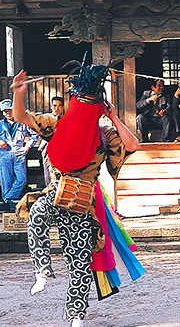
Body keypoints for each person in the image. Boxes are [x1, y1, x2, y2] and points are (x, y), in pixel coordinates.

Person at [12, 66, 140, 327]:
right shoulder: (57, 124)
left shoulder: (106, 136)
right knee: (36, 213)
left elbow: (133, 145)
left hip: (84, 204)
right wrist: (18, 93)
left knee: (79, 260)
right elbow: (21, 116)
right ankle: (42, 270)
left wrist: (113, 118)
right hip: (57, 191)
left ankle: (76, 316)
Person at [0, 98, 39, 210]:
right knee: (6, 182)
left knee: (22, 179)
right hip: (4, 156)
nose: (7, 113)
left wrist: (27, 147)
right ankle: (8, 208)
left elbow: (35, 135)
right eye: (4, 111)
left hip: (19, 155)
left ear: (14, 110)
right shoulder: (0, 124)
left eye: (9, 110)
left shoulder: (22, 123)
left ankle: (6, 201)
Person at [38, 96, 65, 186]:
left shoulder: (66, 120)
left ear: (63, 107)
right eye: (54, 106)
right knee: (48, 175)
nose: (56, 108)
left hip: (61, 151)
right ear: (51, 106)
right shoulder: (46, 119)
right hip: (48, 151)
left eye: (59, 106)